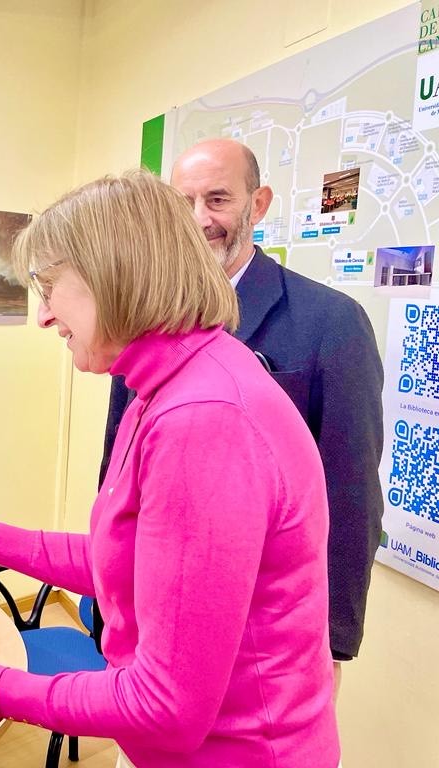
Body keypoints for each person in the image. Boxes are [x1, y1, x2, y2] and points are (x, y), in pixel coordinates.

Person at [0, 172, 340, 767]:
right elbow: (124, 563)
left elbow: (165, 708)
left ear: (113, 278)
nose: (44, 316)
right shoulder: (167, 384)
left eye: (51, 289)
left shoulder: (202, 420)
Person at [100, 139, 384, 694]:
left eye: (218, 200)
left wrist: (329, 643)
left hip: (268, 645)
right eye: (183, 204)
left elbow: (351, 499)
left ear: (258, 205)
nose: (199, 220)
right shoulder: (143, 319)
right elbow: (117, 465)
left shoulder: (331, 324)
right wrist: (107, 601)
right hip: (155, 624)